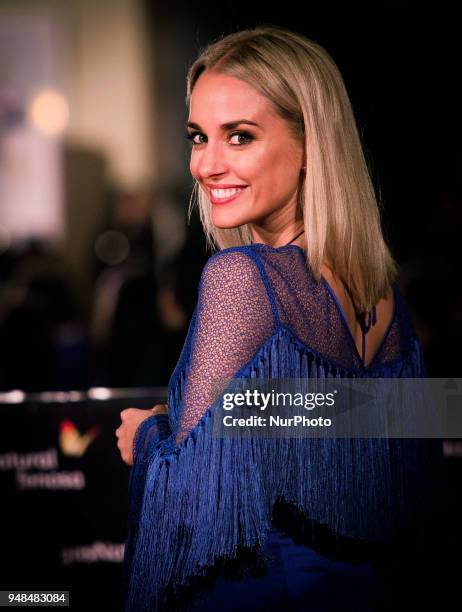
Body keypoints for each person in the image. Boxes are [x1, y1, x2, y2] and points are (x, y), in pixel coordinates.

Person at [116, 25, 443, 611]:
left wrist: (145, 434)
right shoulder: (381, 293)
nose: (207, 165)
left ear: (310, 144)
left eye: (239, 137)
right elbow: (383, 444)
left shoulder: (242, 277)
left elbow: (190, 497)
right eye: (198, 137)